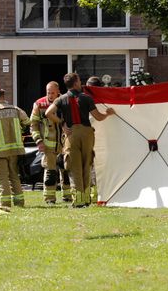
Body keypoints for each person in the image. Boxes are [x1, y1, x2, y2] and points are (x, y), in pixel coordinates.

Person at [46, 72, 116, 207]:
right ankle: (86, 200)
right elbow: (99, 117)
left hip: (71, 134)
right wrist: (108, 114)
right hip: (87, 134)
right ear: (76, 83)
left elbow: (48, 112)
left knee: (74, 167)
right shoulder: (87, 98)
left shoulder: (61, 99)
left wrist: (62, 123)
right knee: (86, 166)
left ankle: (78, 201)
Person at [0, 87, 30, 208]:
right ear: (4, 96)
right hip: (15, 150)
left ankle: (5, 203)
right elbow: (27, 124)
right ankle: (19, 203)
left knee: (2, 178)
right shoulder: (16, 109)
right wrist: (20, 134)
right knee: (14, 176)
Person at [29, 80, 67, 204]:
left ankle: (68, 196)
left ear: (58, 92)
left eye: (52, 93)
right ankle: (50, 199)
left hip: (65, 143)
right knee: (50, 173)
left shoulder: (65, 101)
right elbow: (33, 125)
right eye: (48, 92)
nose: (50, 95)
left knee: (66, 170)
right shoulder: (39, 105)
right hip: (47, 145)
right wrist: (38, 141)